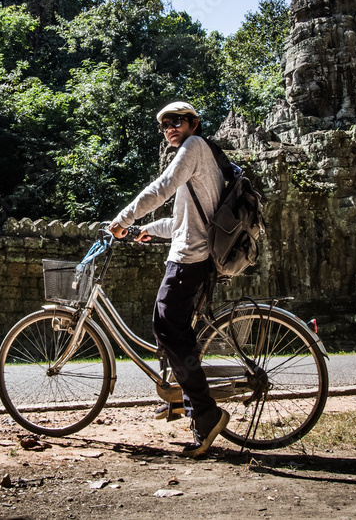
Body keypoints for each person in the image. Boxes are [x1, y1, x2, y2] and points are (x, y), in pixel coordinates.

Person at [108, 101, 230, 458]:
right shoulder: (198, 154)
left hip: (190, 259)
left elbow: (162, 187)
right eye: (164, 125)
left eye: (177, 121)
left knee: (167, 327)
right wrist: (147, 229)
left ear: (194, 123)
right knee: (170, 329)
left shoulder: (193, 147)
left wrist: (124, 219)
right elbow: (182, 221)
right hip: (189, 251)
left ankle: (205, 412)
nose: (170, 128)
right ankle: (183, 400)